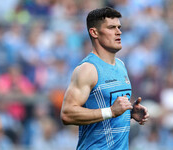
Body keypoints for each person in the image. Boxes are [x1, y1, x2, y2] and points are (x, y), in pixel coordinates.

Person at [60, 7, 149, 149]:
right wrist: (111, 112)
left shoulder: (120, 65)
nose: (118, 32)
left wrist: (129, 113)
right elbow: (67, 114)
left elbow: (109, 105)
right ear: (94, 32)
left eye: (119, 27)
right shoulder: (88, 69)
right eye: (111, 27)